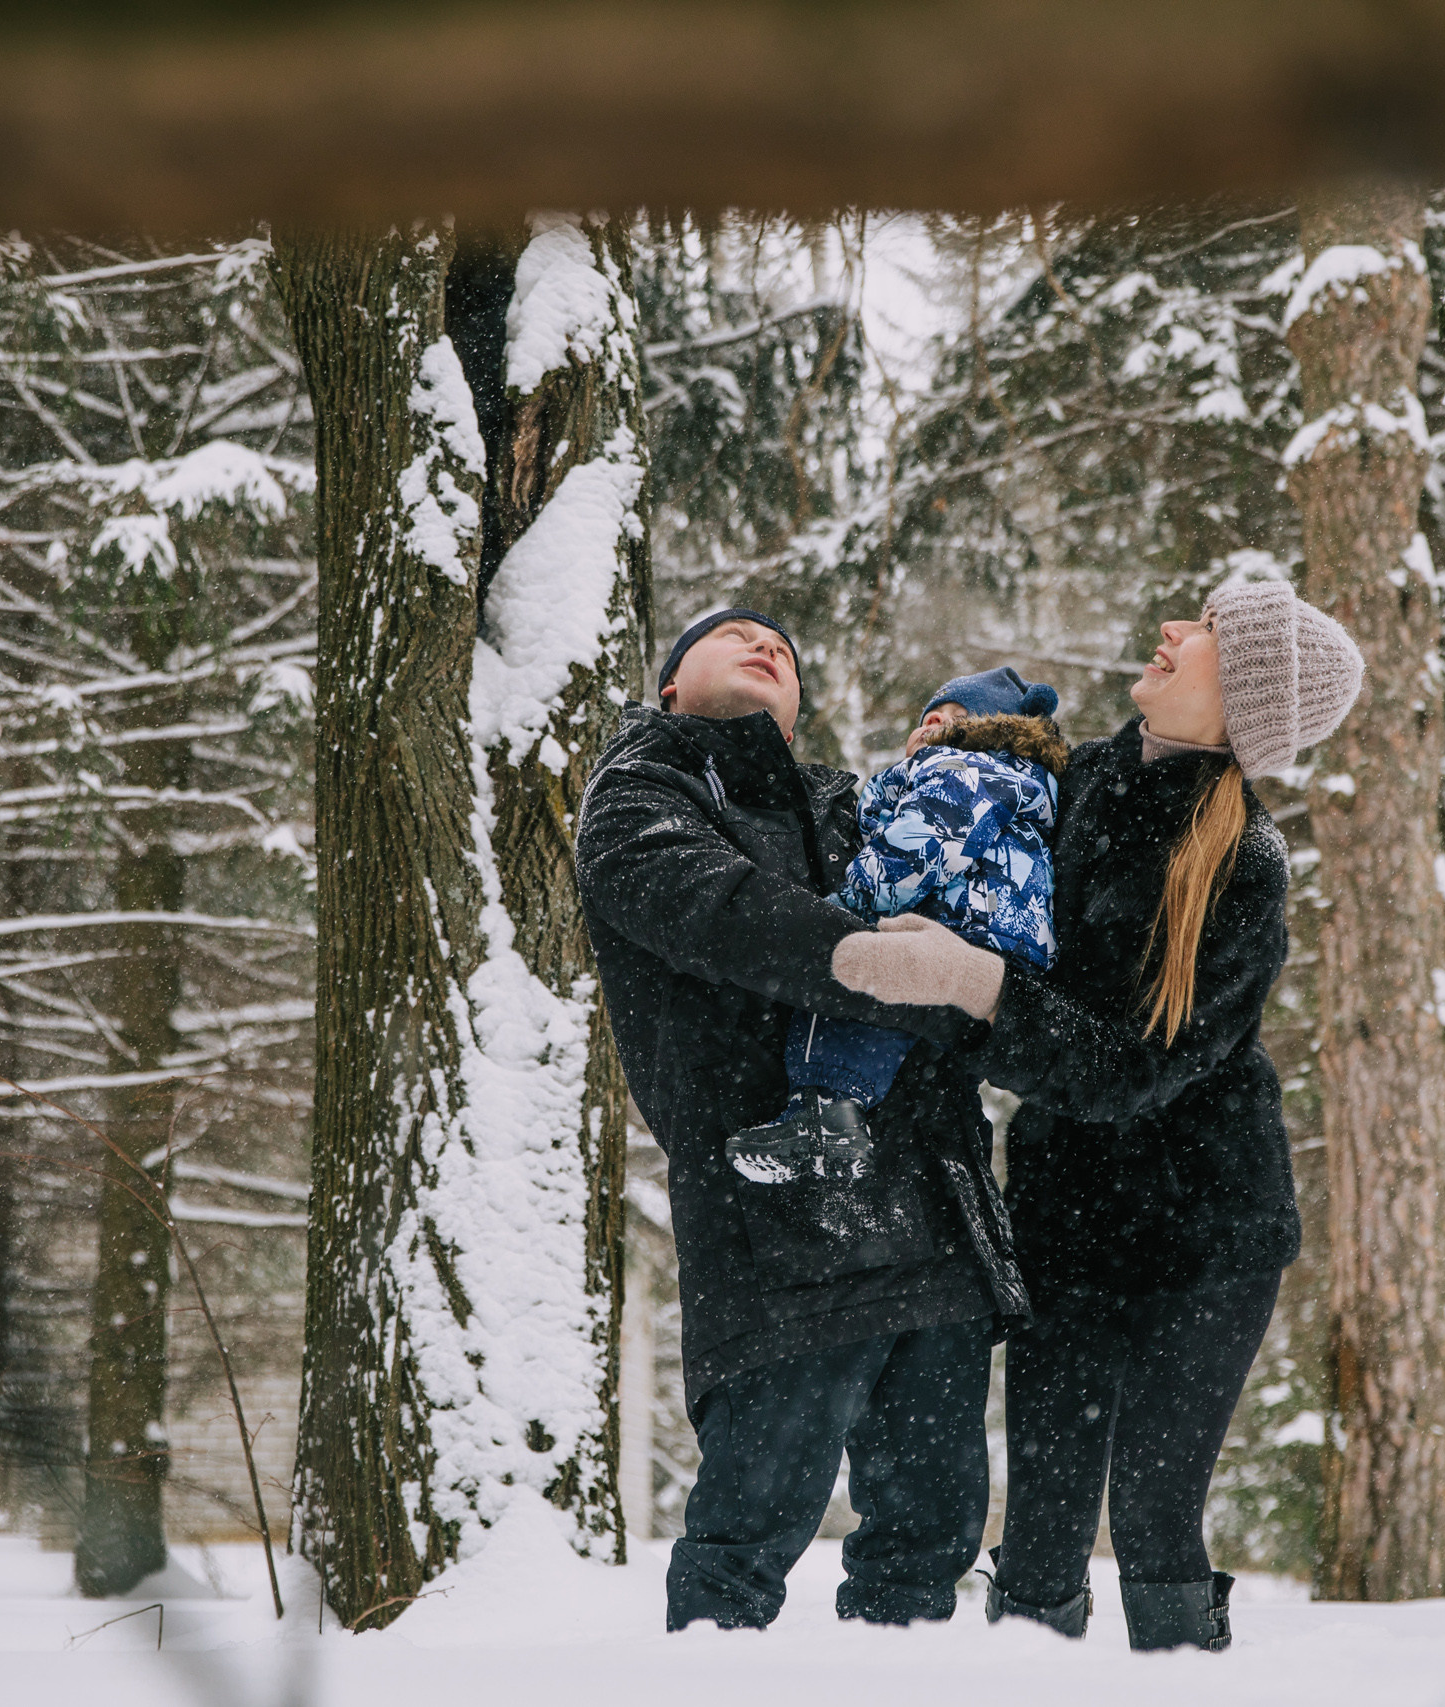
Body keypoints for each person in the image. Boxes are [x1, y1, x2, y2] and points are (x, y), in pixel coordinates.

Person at [829, 578, 1363, 1652]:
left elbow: (1128, 1071)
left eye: (1208, 633)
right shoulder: (1069, 785)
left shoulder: (1241, 866)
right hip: (1070, 1220)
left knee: (1157, 1512)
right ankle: (1029, 1670)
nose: (1171, 630)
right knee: (1041, 1521)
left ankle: (1179, 1673)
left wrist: (973, 986)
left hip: (1210, 1237)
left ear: (1248, 694)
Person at [572, 606, 1028, 1633]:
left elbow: (963, 904)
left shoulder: (853, 806)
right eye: (732, 635)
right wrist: (892, 968)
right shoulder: (643, 789)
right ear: (669, 686)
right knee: (752, 1523)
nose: (767, 643)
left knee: (931, 1528)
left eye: (783, 645)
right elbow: (719, 911)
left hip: (931, 1196)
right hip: (776, 1203)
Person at [726, 666, 1066, 1186]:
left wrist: (851, 907)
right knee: (907, 1028)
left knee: (848, 988)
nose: (932, 727)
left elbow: (921, 845)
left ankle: (825, 1113)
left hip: (958, 921)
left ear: (990, 732)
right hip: (998, 939)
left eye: (952, 719)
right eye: (927, 717)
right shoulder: (1016, 782)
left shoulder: (963, 768)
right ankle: (837, 1116)